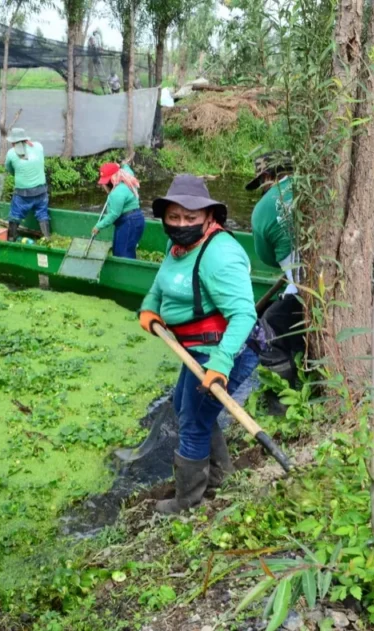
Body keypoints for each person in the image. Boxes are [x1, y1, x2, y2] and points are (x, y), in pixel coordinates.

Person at [139, 175, 259, 514]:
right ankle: (221, 475)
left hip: (227, 349)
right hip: (193, 348)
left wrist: (220, 364)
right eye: (174, 217)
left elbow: (243, 315)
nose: (181, 225)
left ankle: (188, 500)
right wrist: (150, 307)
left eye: (190, 218)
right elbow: (160, 284)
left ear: (209, 217)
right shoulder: (177, 246)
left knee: (192, 420)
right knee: (184, 404)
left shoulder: (219, 254)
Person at [246, 152, 305, 384]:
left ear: (267, 176)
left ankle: (286, 390)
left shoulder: (263, 208)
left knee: (268, 326)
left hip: (306, 289)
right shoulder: (318, 186)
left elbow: (267, 257)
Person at [4, 128, 50, 241]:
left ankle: (12, 237)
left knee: (15, 214)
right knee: (42, 212)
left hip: (23, 193)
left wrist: (19, 174)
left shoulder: (11, 153)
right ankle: (47, 237)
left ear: (13, 142)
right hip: (41, 191)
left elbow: (9, 168)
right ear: (25, 138)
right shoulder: (38, 146)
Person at [91, 162, 145, 259]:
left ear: (112, 180)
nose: (104, 186)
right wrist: (122, 164)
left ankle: (127, 273)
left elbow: (114, 214)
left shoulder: (117, 193)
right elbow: (127, 168)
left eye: (105, 183)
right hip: (135, 218)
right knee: (118, 249)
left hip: (129, 222)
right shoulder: (127, 176)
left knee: (123, 253)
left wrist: (98, 226)